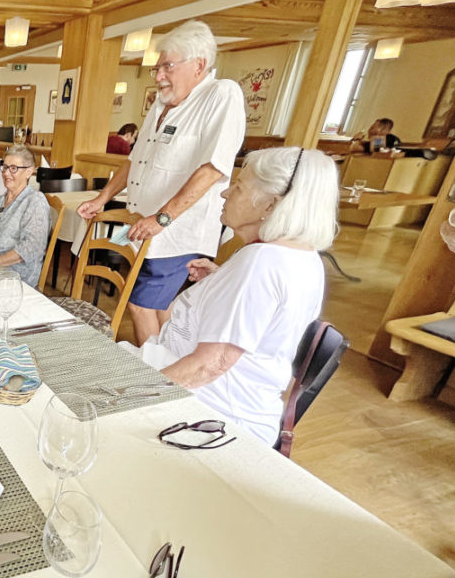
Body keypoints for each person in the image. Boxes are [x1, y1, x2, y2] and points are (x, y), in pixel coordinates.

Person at [132, 146, 337, 446]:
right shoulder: (305, 258)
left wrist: (129, 400)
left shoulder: (261, 263)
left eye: (239, 187)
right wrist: (221, 282)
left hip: (211, 417)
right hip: (233, 403)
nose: (225, 194)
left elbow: (210, 365)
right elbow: (269, 316)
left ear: (271, 205)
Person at [77, 20, 246, 345]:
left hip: (178, 231)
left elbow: (213, 168)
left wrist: (163, 217)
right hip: (145, 228)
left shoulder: (221, 95)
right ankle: (171, 364)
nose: (158, 76)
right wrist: (103, 198)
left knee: (140, 303)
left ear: (199, 64)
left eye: (167, 66)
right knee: (161, 306)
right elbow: (134, 161)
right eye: (158, 68)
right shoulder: (161, 103)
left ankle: (155, 376)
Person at [0, 145, 50, 287]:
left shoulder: (34, 201)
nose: (6, 173)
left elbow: (31, 247)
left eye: (13, 168)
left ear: (29, 172)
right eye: (4, 167)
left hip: (15, 276)